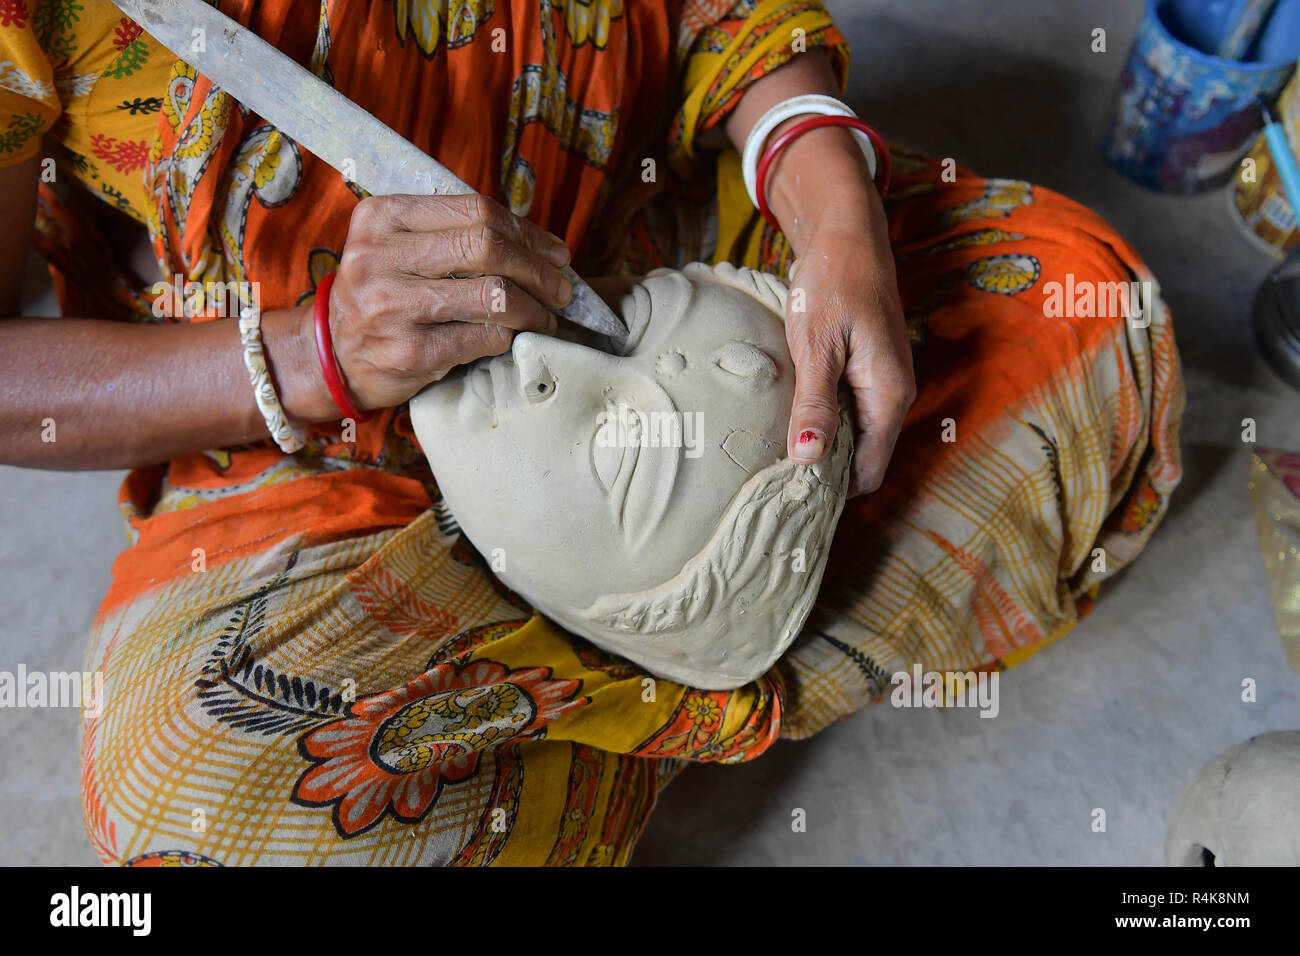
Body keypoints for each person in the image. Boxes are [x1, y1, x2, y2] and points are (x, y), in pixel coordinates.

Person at [0, 0, 1183, 866]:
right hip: (298, 439)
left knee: (1088, 321)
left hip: (605, 248)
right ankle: (650, 678)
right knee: (195, 795)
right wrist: (313, 352)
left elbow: (731, 20)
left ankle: (560, 701)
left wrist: (824, 188)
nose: (565, 386)